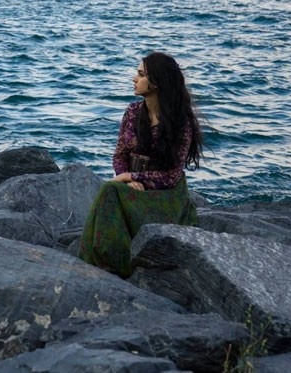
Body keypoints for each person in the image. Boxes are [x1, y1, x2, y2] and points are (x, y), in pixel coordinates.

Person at [78, 52, 203, 278]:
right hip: (135, 187)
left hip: (166, 196)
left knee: (109, 190)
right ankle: (105, 259)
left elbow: (172, 175)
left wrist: (134, 179)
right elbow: (119, 155)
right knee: (111, 192)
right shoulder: (133, 112)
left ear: (156, 82)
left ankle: (116, 263)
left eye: (140, 74)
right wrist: (127, 177)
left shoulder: (179, 122)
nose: (134, 79)